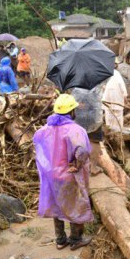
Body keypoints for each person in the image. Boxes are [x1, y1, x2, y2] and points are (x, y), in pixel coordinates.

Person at [34, 94, 93, 250]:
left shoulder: (44, 130)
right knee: (75, 205)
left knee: (56, 205)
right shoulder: (75, 130)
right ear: (71, 112)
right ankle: (75, 239)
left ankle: (60, 240)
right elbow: (82, 151)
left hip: (52, 175)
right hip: (69, 175)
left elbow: (39, 149)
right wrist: (77, 165)